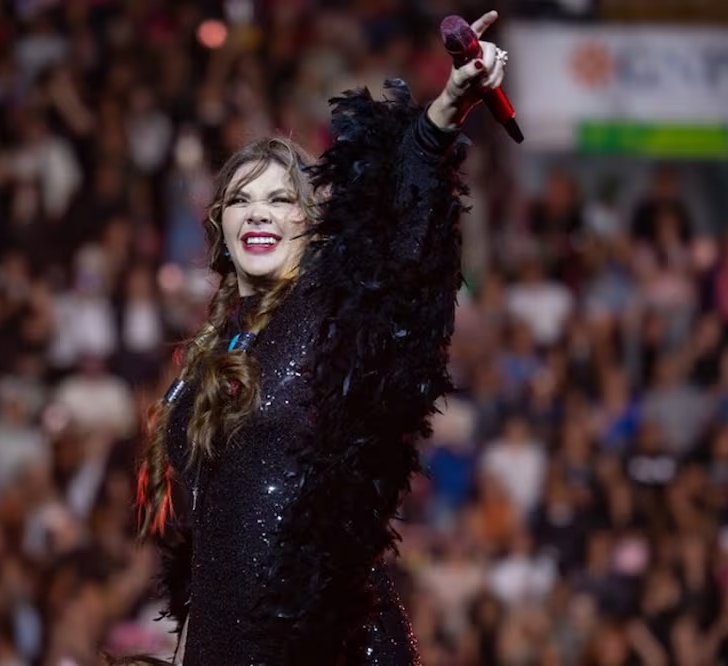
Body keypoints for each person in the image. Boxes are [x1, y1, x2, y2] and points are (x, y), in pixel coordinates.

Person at [127, 11, 511, 665]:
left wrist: (442, 115)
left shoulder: (332, 312)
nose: (259, 213)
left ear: (309, 223)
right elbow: (206, 547)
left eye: (279, 200)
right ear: (219, 226)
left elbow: (407, 250)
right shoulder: (207, 358)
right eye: (241, 200)